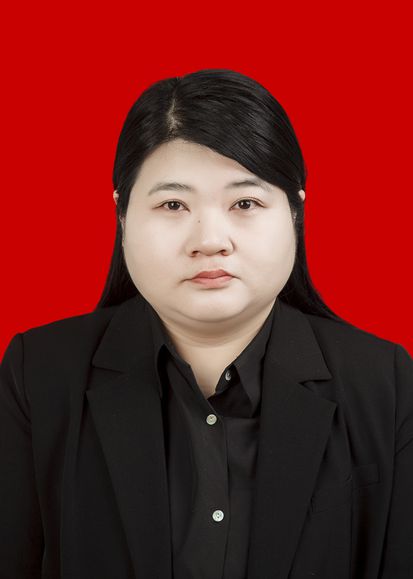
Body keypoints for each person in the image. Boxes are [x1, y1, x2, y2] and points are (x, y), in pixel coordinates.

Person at [0, 68, 412, 579]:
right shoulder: (38, 375)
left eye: (245, 203)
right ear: (122, 215)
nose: (210, 240)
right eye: (173, 204)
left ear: (295, 212)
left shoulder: (385, 383)